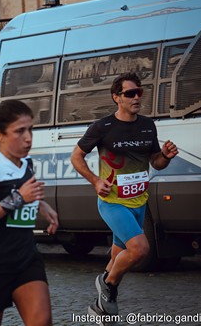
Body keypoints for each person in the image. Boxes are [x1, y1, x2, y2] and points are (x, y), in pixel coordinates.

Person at [70, 73, 178, 318]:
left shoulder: (147, 125)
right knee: (140, 249)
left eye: (139, 92)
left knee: (119, 257)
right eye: (130, 93)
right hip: (112, 203)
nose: (137, 97)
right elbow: (76, 157)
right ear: (116, 97)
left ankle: (101, 309)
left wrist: (165, 156)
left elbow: (156, 163)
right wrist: (95, 181)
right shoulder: (102, 127)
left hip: (139, 202)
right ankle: (107, 284)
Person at [0, 99, 58, 326]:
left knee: (42, 321)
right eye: (20, 131)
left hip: (26, 260)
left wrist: (41, 205)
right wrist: (18, 199)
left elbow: (26, 193)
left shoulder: (26, 163)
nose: (28, 138)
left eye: (30, 130)